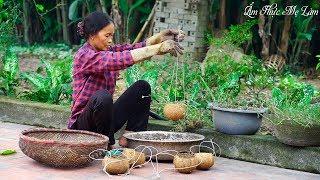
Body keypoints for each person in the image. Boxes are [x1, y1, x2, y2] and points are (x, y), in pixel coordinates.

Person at [68, 11, 185, 149]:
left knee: (142, 88)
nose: (111, 40)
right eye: (107, 35)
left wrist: (158, 38)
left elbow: (129, 49)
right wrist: (158, 48)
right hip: (84, 127)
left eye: (111, 35)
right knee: (102, 96)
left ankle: (131, 138)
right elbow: (120, 59)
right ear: (92, 35)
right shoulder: (85, 55)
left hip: (104, 122)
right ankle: (106, 145)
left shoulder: (106, 50)